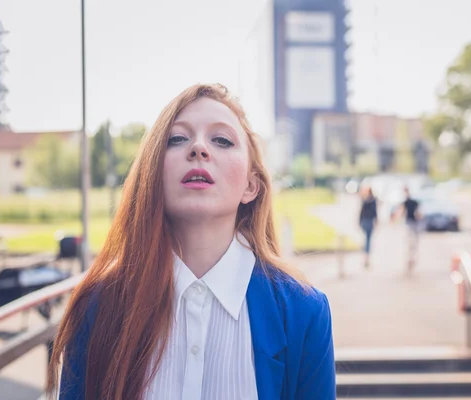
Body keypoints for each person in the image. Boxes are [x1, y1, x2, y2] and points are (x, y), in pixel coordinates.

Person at [46, 84, 336, 400]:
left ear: (251, 186)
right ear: (153, 175)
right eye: (177, 139)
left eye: (222, 140)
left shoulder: (304, 311)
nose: (198, 148)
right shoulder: (98, 304)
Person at [392, 186, 421, 274]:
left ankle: (410, 257)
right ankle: (411, 257)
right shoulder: (413, 202)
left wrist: (394, 219)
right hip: (412, 223)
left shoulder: (408, 202)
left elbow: (401, 212)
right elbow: (418, 213)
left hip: (410, 223)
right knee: (413, 241)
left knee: (411, 241)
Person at [359, 186, 378, 268]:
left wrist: (359, 221)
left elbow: (362, 212)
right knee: (368, 239)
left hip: (366, 221)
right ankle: (366, 256)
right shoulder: (372, 201)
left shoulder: (366, 200)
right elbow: (374, 212)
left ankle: (366, 256)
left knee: (367, 239)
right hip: (368, 221)